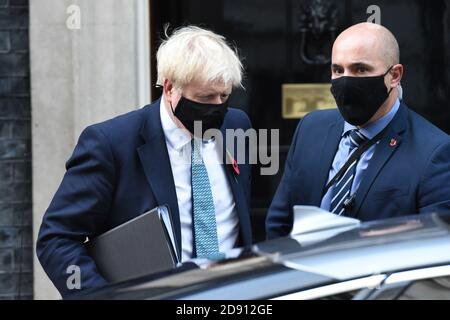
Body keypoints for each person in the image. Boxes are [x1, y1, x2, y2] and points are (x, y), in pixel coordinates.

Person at [37, 26, 253, 297]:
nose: (217, 107)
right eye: (205, 98)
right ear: (170, 88)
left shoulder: (237, 126)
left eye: (224, 96)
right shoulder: (110, 143)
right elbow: (56, 239)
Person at [266, 22, 450, 239]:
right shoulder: (311, 128)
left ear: (395, 75)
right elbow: (280, 222)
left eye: (360, 69)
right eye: (337, 70)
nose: (346, 80)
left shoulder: (434, 151)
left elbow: (433, 246)